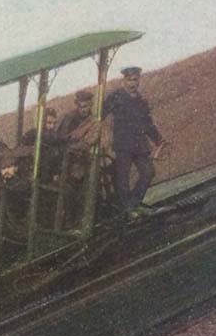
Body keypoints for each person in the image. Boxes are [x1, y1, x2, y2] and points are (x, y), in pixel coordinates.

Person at [102, 66, 168, 215]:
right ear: (123, 80)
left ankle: (132, 204)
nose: (133, 83)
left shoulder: (141, 101)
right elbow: (100, 115)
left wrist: (158, 139)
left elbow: (148, 123)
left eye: (135, 80)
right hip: (123, 145)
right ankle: (129, 209)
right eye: (129, 80)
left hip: (140, 145)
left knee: (148, 172)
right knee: (122, 178)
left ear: (139, 80)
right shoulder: (116, 97)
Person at [55, 90, 102, 227]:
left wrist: (70, 144)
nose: (83, 110)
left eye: (86, 106)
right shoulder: (68, 118)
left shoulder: (94, 123)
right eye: (81, 106)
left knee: (77, 192)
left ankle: (76, 223)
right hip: (63, 162)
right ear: (76, 105)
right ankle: (66, 222)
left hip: (80, 163)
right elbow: (59, 137)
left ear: (91, 105)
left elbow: (87, 143)